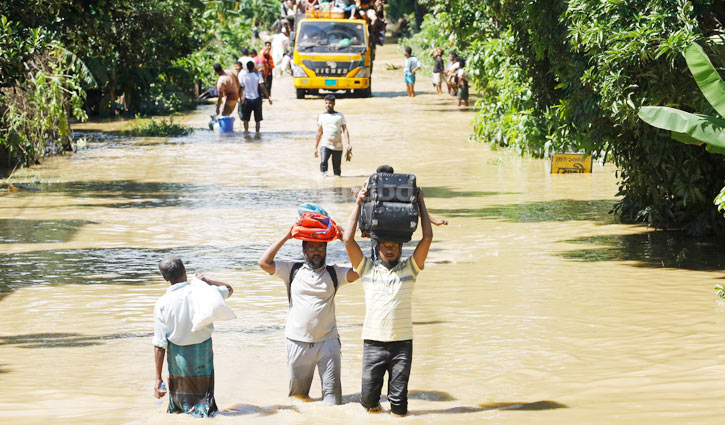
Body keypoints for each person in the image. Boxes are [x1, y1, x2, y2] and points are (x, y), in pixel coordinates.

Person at [343, 181, 433, 416]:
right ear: (378, 247)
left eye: (394, 246)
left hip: (402, 345)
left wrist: (421, 202)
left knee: (399, 406)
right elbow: (347, 240)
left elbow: (426, 239)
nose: (390, 249)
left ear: (401, 248)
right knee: (368, 402)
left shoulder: (410, 269)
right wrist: (358, 202)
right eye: (386, 246)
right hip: (373, 342)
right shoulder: (366, 269)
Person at [258, 229, 359, 405]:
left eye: (321, 247)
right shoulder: (291, 270)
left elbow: (360, 270)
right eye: (312, 248)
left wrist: (347, 240)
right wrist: (286, 236)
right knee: (298, 398)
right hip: (297, 342)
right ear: (304, 251)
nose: (317, 252)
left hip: (328, 343)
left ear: (326, 250)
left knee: (333, 402)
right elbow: (264, 262)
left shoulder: (335, 273)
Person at [152, 256, 234, 417]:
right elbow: (229, 289)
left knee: (179, 405)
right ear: (185, 271)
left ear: (164, 278)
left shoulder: (162, 303)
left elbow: (159, 344)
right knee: (205, 401)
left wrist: (157, 378)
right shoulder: (203, 292)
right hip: (202, 354)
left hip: (178, 359)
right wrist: (207, 280)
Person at [315, 95, 351, 177]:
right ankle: (324, 181)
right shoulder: (322, 116)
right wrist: (315, 147)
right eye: (326, 103)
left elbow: (345, 130)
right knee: (323, 162)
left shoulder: (339, 115)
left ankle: (337, 185)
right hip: (325, 144)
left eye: (330, 103)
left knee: (337, 169)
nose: (327, 105)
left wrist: (348, 143)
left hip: (337, 145)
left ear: (334, 104)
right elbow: (319, 132)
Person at [239, 61, 273, 133]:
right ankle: (257, 134)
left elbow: (241, 88)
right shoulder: (258, 76)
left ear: (247, 68)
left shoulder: (244, 77)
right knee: (257, 120)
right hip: (257, 99)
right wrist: (268, 97)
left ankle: (246, 132)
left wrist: (241, 98)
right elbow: (262, 87)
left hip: (247, 99)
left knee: (246, 119)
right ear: (254, 67)